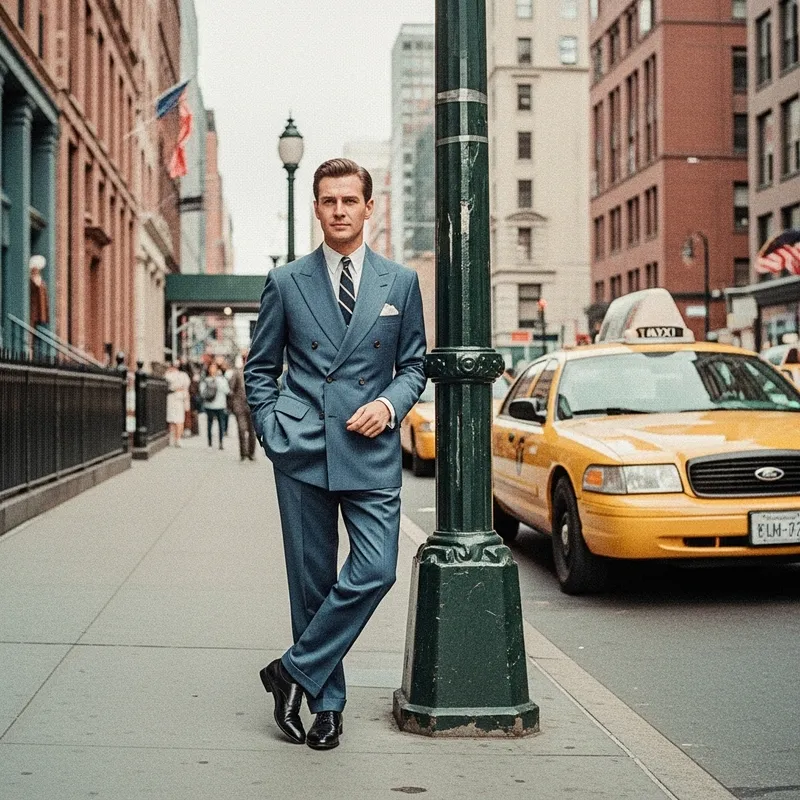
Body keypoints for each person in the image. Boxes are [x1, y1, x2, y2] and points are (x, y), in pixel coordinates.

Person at [245, 158, 426, 750]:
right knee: (313, 583)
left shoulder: (399, 283)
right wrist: (274, 432)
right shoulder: (286, 282)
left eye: (350, 201)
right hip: (302, 449)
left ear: (369, 207)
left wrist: (391, 404)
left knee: (376, 569)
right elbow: (261, 370)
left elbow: (416, 364)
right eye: (329, 201)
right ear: (316, 208)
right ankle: (327, 706)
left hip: (369, 447)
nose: (340, 211)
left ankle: (291, 671)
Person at [228, 354, 256, 461]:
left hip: (252, 406)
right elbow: (231, 389)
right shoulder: (237, 372)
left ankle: (251, 453)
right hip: (240, 406)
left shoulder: (256, 372)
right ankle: (243, 453)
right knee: (242, 429)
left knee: (252, 431)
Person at [200, 362, 230, 449]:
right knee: (210, 423)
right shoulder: (205, 379)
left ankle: (221, 442)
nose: (213, 369)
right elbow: (202, 392)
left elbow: (227, 391)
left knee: (221, 424)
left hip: (220, 405)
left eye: (214, 367)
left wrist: (217, 381)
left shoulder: (222, 379)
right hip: (209, 405)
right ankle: (210, 442)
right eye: (211, 367)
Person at [165, 360, 191, 447]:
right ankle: (177, 439)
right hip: (179, 398)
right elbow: (186, 388)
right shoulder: (184, 376)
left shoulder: (168, 375)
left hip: (173, 397)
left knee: (173, 419)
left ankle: (173, 438)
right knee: (178, 419)